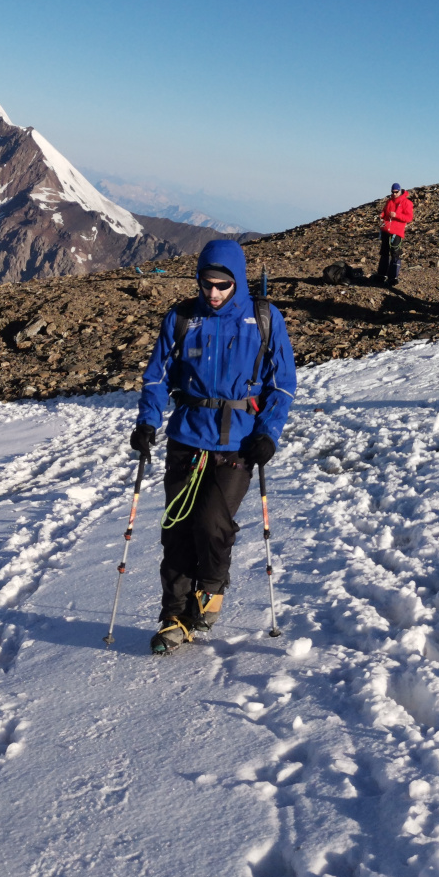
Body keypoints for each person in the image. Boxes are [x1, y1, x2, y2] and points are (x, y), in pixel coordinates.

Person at [131, 239, 297, 654]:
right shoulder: (183, 318)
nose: (214, 293)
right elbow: (156, 376)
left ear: (237, 281)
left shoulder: (263, 318)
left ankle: (209, 590)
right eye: (207, 284)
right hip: (186, 437)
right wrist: (147, 422)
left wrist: (268, 432)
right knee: (177, 529)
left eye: (223, 285)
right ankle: (174, 616)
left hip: (237, 441)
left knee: (211, 523)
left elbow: (282, 383)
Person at [376, 184, 413, 287]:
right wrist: (382, 215)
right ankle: (382, 274)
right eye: (393, 192)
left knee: (395, 253)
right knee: (384, 252)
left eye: (396, 192)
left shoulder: (406, 203)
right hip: (386, 230)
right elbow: (385, 211)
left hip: (396, 232)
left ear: (400, 191)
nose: (394, 194)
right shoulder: (389, 201)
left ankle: (393, 278)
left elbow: (409, 218)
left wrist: (397, 215)